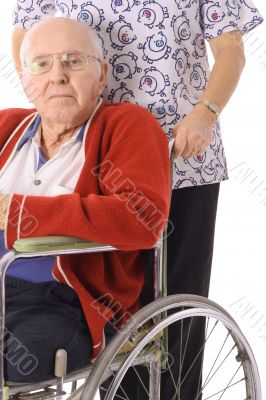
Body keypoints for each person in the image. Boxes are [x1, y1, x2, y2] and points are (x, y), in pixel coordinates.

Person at [10, 1, 264, 398]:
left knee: (165, 319)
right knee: (87, 284)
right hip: (82, 146)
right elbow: (26, 39)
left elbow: (230, 48)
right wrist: (47, 96)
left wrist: (205, 113)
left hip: (177, 155)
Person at [0, 17, 170, 382]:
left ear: (102, 74)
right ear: (26, 78)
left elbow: (141, 219)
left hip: (62, 301)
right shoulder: (7, 125)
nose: (57, 75)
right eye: (41, 64)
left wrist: (18, 211)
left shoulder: (128, 126)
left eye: (73, 61)